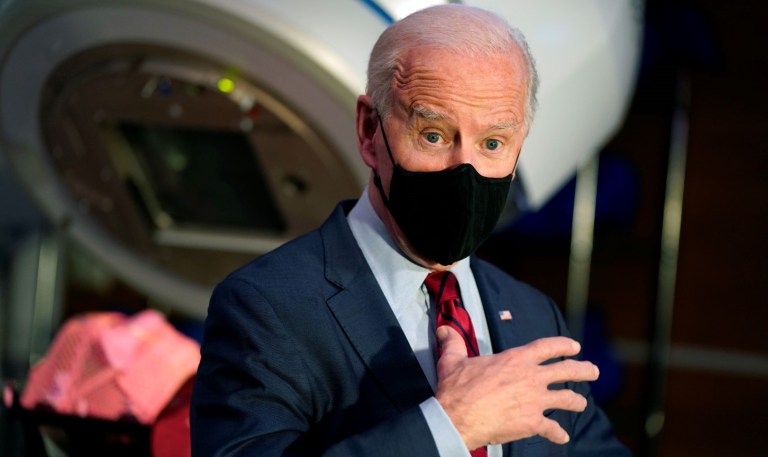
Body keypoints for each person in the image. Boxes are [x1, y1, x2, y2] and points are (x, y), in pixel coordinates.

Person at [191, 4, 630, 456]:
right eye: (434, 135)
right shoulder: (265, 307)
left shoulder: (535, 316)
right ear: (368, 131)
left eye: (493, 143)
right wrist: (450, 426)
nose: (466, 170)